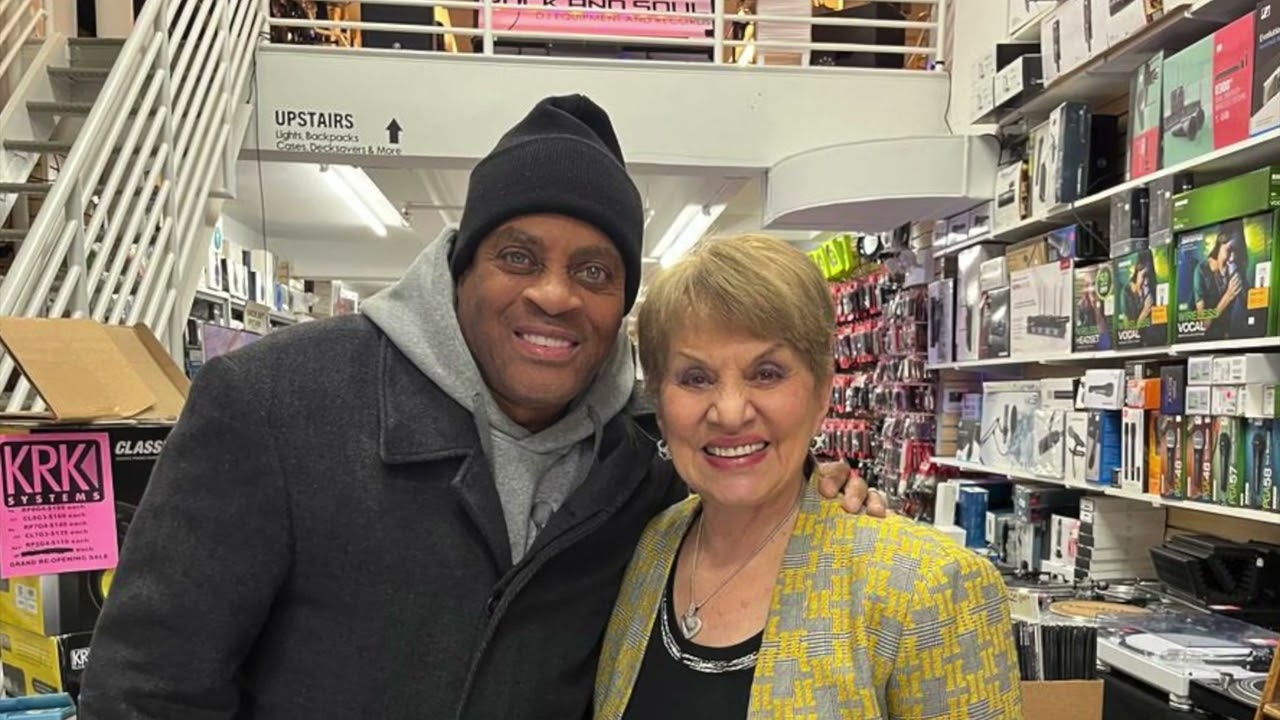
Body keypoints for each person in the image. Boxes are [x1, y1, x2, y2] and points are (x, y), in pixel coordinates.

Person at [77, 94, 884, 720]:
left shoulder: (642, 468)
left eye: (595, 271)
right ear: (461, 267)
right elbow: (146, 689)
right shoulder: (277, 404)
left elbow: (741, 494)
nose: (554, 295)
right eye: (518, 256)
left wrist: (818, 485)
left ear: (621, 308)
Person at [594, 234, 1023, 719]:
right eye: (696, 378)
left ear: (822, 391)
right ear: (659, 401)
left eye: (767, 373)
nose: (731, 412)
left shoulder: (928, 585)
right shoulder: (651, 547)